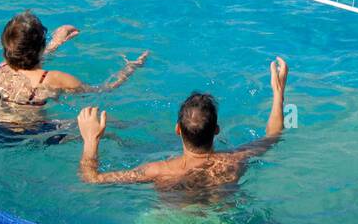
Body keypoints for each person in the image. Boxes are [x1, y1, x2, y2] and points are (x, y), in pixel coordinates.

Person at [76, 57, 288, 189]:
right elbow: (273, 136)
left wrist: (90, 140)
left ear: (178, 130)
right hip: (218, 221)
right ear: (216, 130)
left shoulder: (159, 170)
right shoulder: (236, 160)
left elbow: (92, 179)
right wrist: (278, 93)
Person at [0, 11, 146, 107]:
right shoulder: (55, 78)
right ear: (41, 47)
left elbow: (26, 60)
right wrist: (130, 69)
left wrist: (57, 42)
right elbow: (103, 91)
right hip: (31, 131)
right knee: (112, 129)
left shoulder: (1, 68)